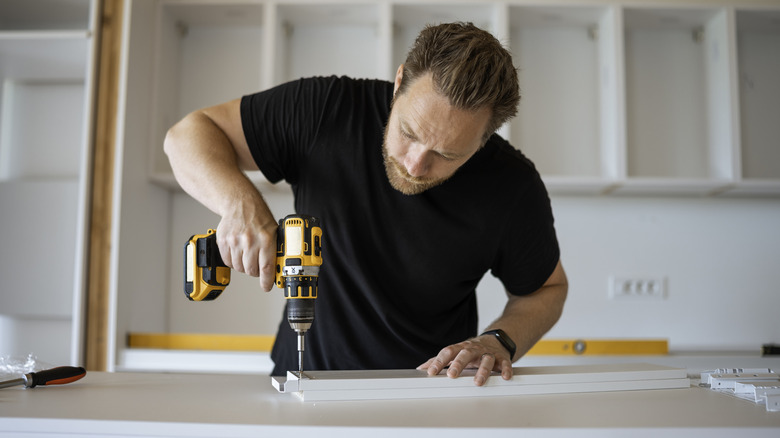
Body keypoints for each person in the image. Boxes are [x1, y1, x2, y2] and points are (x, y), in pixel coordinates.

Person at [164, 22, 568, 387]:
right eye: (408, 132)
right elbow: (188, 136)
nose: (415, 164)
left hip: (431, 401)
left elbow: (547, 290)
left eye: (446, 154)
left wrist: (498, 341)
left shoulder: (513, 187)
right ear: (398, 84)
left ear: (483, 141)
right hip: (299, 383)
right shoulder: (327, 110)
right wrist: (239, 204)